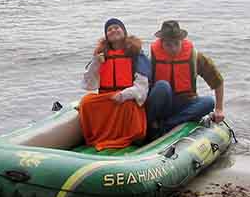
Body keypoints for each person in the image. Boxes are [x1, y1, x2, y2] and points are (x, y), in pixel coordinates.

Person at [78, 18, 151, 150]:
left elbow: (142, 88)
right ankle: (99, 137)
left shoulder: (136, 54)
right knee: (86, 102)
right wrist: (96, 63)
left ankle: (128, 137)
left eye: (117, 27)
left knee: (128, 105)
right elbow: (88, 85)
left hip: (126, 98)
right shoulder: (101, 55)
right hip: (107, 98)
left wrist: (123, 95)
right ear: (106, 36)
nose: (113, 30)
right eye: (109, 29)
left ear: (124, 31)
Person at [144, 20, 225, 138]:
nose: (173, 48)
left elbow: (218, 81)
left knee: (208, 102)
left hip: (185, 104)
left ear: (182, 40)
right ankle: (149, 126)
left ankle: (166, 126)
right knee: (162, 86)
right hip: (162, 105)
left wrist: (219, 109)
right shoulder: (152, 58)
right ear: (161, 43)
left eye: (176, 43)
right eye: (168, 45)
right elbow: (140, 87)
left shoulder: (195, 57)